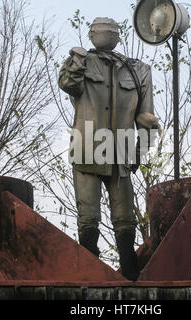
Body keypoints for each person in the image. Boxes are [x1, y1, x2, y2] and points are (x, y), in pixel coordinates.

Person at [58, 17, 159, 281]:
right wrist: (77, 60)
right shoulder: (82, 62)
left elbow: (147, 118)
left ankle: (130, 274)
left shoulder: (138, 70)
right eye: (101, 30)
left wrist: (139, 153)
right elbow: (68, 84)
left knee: (125, 220)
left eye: (110, 31)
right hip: (87, 149)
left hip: (121, 153)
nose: (106, 34)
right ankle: (90, 275)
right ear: (91, 35)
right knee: (88, 219)